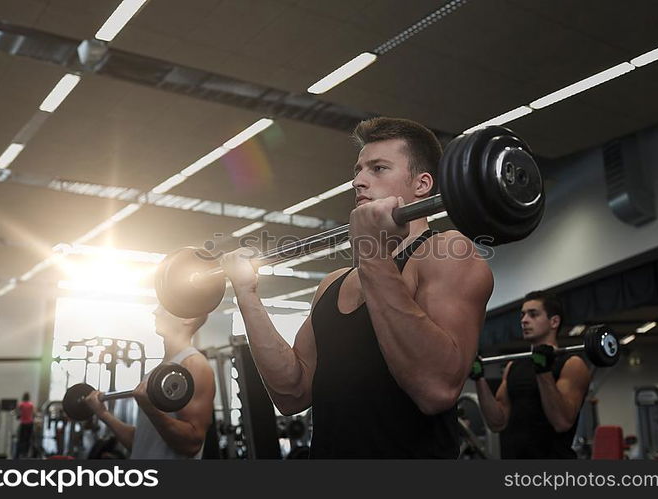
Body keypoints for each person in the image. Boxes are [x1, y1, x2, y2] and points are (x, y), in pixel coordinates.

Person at [221, 117, 493, 457]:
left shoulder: (446, 253)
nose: (357, 181)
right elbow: (291, 394)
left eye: (378, 169)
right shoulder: (332, 285)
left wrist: (371, 252)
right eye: (358, 170)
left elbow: (436, 389)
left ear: (422, 185)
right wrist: (247, 296)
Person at [83, 306, 215, 459]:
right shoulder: (156, 372)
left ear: (188, 318)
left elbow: (192, 444)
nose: (156, 312)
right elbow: (140, 442)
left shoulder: (195, 365)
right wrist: (103, 414)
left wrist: (150, 408)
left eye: (165, 308)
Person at [471, 291, 591, 458]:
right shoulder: (513, 366)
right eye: (523, 315)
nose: (524, 320)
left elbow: (562, 421)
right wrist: (479, 379)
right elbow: (497, 423)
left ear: (554, 322)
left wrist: (543, 371)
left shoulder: (572, 364)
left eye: (533, 314)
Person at [15, 392, 34, 458]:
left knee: (21, 440)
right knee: (28, 439)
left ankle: (19, 454)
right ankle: (26, 454)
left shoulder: (21, 405)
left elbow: (18, 414)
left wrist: (19, 416)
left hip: (23, 423)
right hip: (30, 424)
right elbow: (33, 414)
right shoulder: (31, 405)